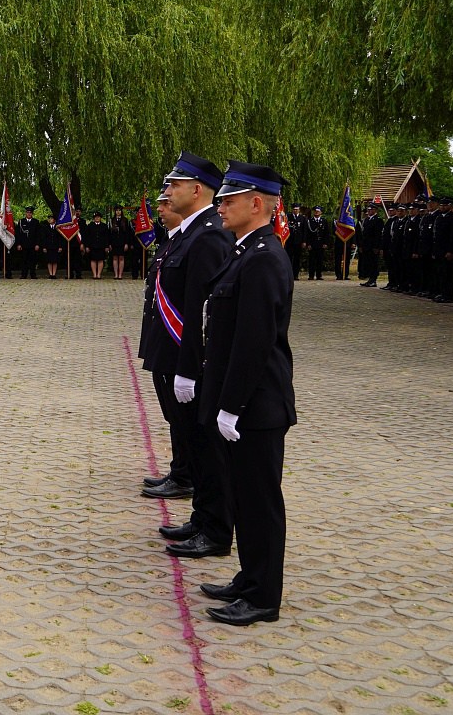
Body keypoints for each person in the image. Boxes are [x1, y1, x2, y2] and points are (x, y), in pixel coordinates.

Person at [196, 160, 295, 626]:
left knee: (259, 502)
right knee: (244, 495)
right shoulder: (245, 251)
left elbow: (253, 344)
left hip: (256, 406)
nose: (220, 205)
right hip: (242, 403)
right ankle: (249, 577)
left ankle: (261, 597)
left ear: (257, 203)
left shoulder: (263, 257)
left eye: (229, 199)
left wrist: (231, 407)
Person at [140, 151, 234, 562]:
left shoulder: (210, 234)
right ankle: (202, 520)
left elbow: (202, 309)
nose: (167, 192)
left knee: (207, 449)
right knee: (195, 445)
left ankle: (214, 529)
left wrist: (190, 368)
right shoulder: (188, 234)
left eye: (174, 185)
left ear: (197, 190)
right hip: (176, 356)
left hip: (191, 363)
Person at [137, 186, 190, 495]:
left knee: (181, 416)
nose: (159, 209)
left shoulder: (193, 240)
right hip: (163, 339)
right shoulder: (173, 241)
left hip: (176, 342)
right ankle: (179, 469)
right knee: (173, 415)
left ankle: (185, 475)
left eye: (165, 204)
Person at [357, 202, 383, 287]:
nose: (369, 211)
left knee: (373, 263)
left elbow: (378, 235)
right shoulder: (366, 220)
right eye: (368, 209)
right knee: (368, 263)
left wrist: (377, 246)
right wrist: (360, 245)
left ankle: (373, 280)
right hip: (366, 246)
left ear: (375, 210)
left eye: (371, 209)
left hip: (373, 246)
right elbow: (363, 234)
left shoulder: (378, 220)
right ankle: (369, 279)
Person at [14, 206, 42, 279]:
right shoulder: (21, 222)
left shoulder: (36, 222)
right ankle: (24, 274)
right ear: (25, 213)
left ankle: (33, 274)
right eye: (28, 212)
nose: (29, 214)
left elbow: (38, 234)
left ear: (32, 213)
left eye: (30, 213)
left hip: (33, 245)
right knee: (24, 260)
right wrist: (18, 244)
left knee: (32, 260)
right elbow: (18, 234)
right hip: (23, 245)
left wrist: (37, 244)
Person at [82, 211, 111, 279]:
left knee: (100, 260)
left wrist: (107, 246)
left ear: (100, 218)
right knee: (93, 260)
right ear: (93, 218)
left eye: (98, 217)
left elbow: (107, 237)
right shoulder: (90, 226)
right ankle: (94, 274)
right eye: (95, 217)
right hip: (92, 246)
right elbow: (87, 237)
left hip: (101, 246)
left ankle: (99, 274)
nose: (97, 218)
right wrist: (87, 246)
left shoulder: (104, 226)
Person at [109, 205, 134, 279]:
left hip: (122, 242)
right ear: (115, 212)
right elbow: (109, 233)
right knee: (115, 258)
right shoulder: (111, 220)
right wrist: (109, 244)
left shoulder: (125, 220)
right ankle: (116, 274)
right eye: (117, 210)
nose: (118, 212)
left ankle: (120, 275)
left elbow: (127, 233)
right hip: (114, 242)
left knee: (121, 258)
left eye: (119, 210)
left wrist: (126, 243)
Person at [304, 206, 328, 280]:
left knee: (320, 260)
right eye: (315, 211)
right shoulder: (309, 221)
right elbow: (307, 233)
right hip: (312, 243)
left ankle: (319, 275)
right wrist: (308, 244)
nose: (316, 212)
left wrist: (325, 243)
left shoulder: (324, 221)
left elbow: (326, 233)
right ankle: (311, 275)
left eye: (318, 211)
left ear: (321, 212)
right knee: (312, 260)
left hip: (321, 243)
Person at [285, 203, 305, 280]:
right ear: (292, 210)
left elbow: (304, 230)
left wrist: (304, 241)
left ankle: (295, 275)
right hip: (289, 241)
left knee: (297, 259)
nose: (295, 211)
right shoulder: (288, 217)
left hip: (298, 242)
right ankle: (289, 275)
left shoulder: (302, 218)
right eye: (294, 209)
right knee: (289, 258)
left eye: (297, 209)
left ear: (299, 210)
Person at [42, 212, 64, 278]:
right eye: (49, 218)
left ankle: (54, 274)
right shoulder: (45, 227)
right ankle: (50, 274)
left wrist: (60, 246)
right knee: (49, 261)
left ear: (54, 220)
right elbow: (43, 238)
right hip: (48, 246)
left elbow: (60, 238)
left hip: (55, 246)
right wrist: (44, 247)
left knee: (54, 261)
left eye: (51, 218)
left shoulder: (58, 228)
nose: (50, 220)